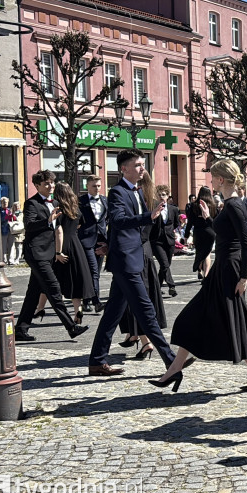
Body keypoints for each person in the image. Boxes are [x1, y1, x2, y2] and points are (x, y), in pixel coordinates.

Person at [150, 159, 247, 393]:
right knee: (218, 318)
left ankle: (174, 370)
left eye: (213, 177)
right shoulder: (230, 204)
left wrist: (244, 277)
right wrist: (209, 219)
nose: (211, 181)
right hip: (222, 268)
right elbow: (226, 235)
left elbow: (246, 242)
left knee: (221, 318)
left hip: (229, 270)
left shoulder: (234, 205)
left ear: (221, 179)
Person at [88, 148, 177, 376]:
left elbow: (125, 230)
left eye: (142, 164)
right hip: (126, 262)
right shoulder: (118, 192)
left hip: (132, 258)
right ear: (124, 168)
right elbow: (118, 220)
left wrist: (111, 244)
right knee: (146, 310)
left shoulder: (137, 192)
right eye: (137, 165)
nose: (142, 169)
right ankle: (170, 359)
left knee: (112, 315)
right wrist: (150, 216)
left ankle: (97, 361)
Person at [13, 170, 90, 343]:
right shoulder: (32, 203)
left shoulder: (55, 202)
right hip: (37, 253)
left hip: (49, 253)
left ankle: (21, 329)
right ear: (37, 186)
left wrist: (58, 250)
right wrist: (47, 220)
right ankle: (71, 327)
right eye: (46, 183)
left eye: (52, 183)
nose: (51, 186)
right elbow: (30, 225)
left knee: (33, 293)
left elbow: (61, 228)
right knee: (54, 289)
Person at [118, 172, 168, 361]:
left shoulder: (135, 202)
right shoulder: (154, 203)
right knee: (138, 299)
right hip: (146, 252)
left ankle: (145, 341)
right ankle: (134, 335)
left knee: (138, 300)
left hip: (133, 253)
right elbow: (158, 233)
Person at [52, 182, 95, 325]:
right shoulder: (75, 208)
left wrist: (58, 251)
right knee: (76, 279)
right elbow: (79, 224)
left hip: (61, 245)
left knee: (50, 281)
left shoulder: (57, 208)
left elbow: (58, 230)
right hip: (76, 244)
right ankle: (78, 310)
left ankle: (39, 308)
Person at [78, 175, 108, 312]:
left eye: (99, 186)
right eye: (94, 186)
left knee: (95, 272)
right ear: (87, 187)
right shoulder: (80, 201)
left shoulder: (105, 200)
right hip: (86, 240)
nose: (97, 188)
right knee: (93, 271)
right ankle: (96, 302)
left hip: (101, 240)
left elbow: (106, 219)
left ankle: (86, 301)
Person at [151, 184, 179, 297]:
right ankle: (171, 286)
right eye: (159, 195)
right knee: (164, 263)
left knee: (166, 265)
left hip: (169, 240)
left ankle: (156, 287)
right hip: (156, 240)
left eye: (163, 194)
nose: (161, 197)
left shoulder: (174, 209)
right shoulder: (152, 208)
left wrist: (172, 233)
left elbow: (176, 223)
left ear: (167, 196)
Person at [186, 186, 217, 279]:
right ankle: (206, 275)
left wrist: (186, 234)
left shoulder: (194, 205)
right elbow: (216, 219)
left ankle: (199, 268)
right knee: (207, 253)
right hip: (210, 231)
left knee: (199, 252)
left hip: (198, 231)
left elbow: (190, 221)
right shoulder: (213, 205)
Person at [0, 197, 15, 265]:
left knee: (11, 245)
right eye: (4, 202)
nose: (5, 204)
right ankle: (4, 259)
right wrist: (7, 215)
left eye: (6, 202)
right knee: (4, 245)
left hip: (11, 230)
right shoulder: (0, 211)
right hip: (3, 230)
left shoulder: (9, 210)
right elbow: (1, 220)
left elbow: (14, 219)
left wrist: (13, 215)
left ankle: (11, 260)